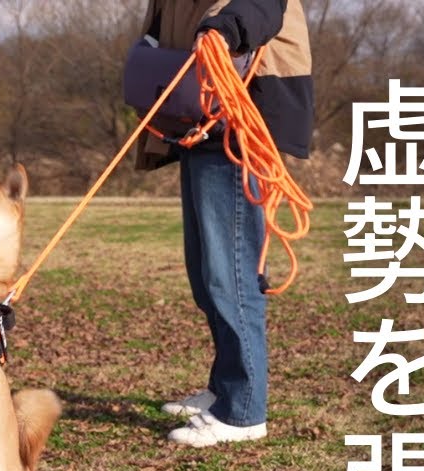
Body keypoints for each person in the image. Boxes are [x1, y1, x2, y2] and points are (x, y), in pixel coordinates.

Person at [132, 0, 313, 447]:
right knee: (205, 273)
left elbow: (261, 6)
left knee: (229, 273)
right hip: (198, 118)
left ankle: (244, 410)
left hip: (236, 122)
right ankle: (224, 389)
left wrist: (223, 29)